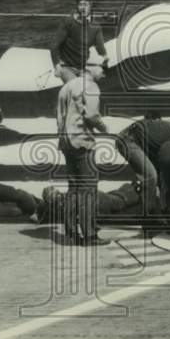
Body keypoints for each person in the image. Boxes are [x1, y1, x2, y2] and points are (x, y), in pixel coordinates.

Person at [56, 57, 110, 244]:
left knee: (73, 189)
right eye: (103, 68)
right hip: (82, 141)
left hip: (65, 142)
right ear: (91, 68)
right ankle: (89, 235)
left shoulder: (66, 87)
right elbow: (92, 115)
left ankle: (71, 233)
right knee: (88, 189)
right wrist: (104, 127)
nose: (104, 73)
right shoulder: (91, 87)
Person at [116, 113, 170, 218]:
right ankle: (150, 219)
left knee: (160, 177)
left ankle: (160, 214)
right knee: (151, 176)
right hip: (128, 139)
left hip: (142, 141)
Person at [51, 0, 109, 82]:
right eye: (80, 4)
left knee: (88, 88)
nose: (83, 8)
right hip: (67, 67)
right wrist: (57, 65)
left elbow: (100, 48)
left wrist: (105, 57)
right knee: (76, 87)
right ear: (77, 6)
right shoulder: (68, 22)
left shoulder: (96, 27)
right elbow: (55, 45)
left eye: (86, 5)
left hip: (84, 68)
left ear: (90, 7)